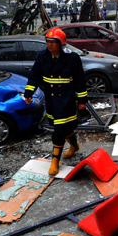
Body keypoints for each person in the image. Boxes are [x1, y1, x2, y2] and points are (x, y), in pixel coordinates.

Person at [23, 27, 88, 175]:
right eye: (48, 42)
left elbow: (80, 80)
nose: (50, 45)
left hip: (66, 99)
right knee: (64, 127)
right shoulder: (42, 57)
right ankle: (74, 145)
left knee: (58, 130)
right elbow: (35, 76)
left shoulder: (72, 58)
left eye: (53, 42)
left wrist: (82, 100)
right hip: (51, 99)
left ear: (61, 43)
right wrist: (28, 93)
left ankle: (54, 161)